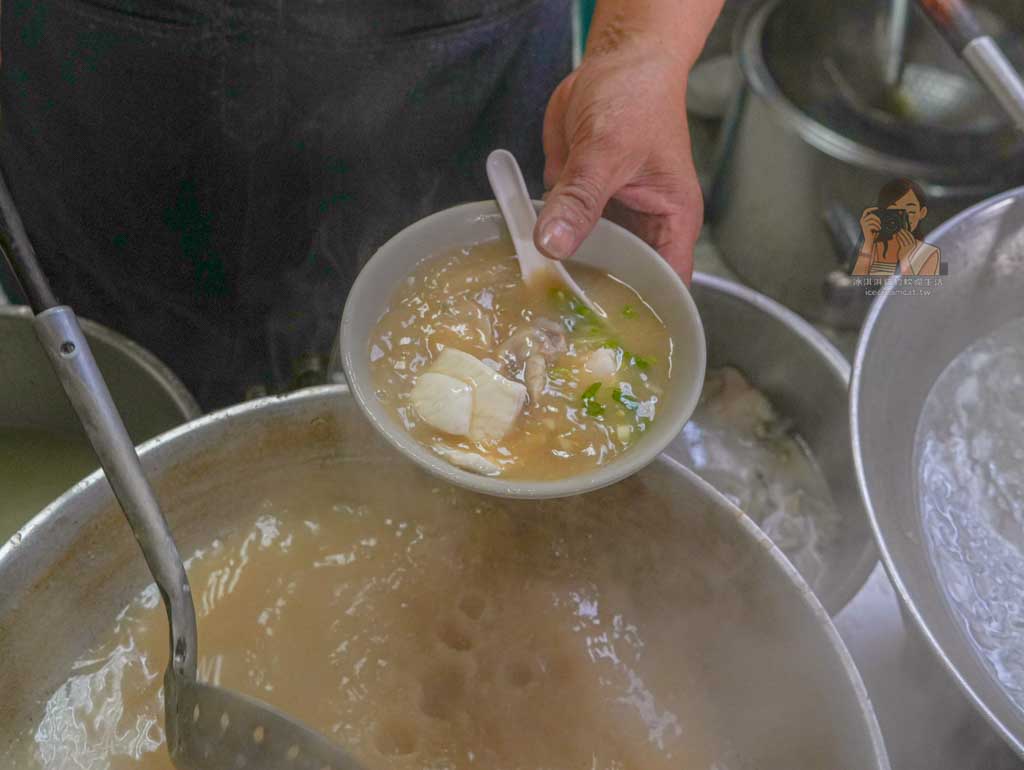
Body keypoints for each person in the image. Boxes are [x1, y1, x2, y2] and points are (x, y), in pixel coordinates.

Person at [0, 0, 722, 408]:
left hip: (465, 64)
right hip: (95, 81)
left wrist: (640, 50)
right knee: (117, 412)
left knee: (484, 408)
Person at [852, 178, 941, 278]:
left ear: (922, 213)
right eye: (893, 212)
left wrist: (907, 259)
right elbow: (857, 282)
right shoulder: (874, 247)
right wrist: (868, 241)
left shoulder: (930, 252)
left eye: (910, 211)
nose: (901, 219)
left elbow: (922, 289)